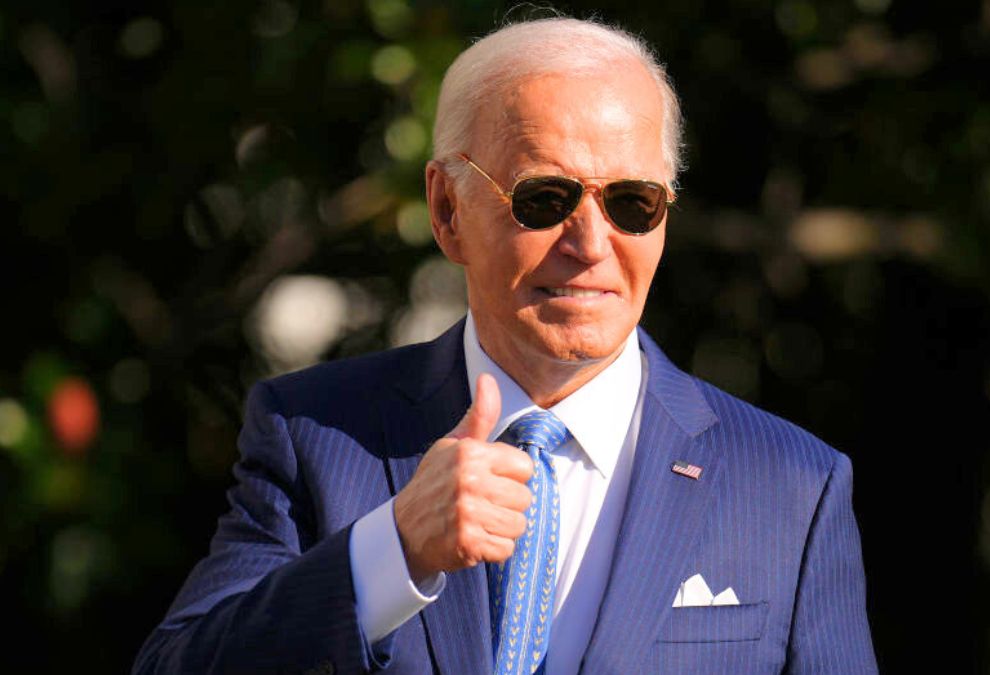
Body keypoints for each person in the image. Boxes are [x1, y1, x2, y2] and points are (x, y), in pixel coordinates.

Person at [134, 16, 877, 675]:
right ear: (447, 210)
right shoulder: (318, 438)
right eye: (544, 199)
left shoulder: (791, 487)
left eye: (631, 203)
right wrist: (391, 551)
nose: (590, 244)